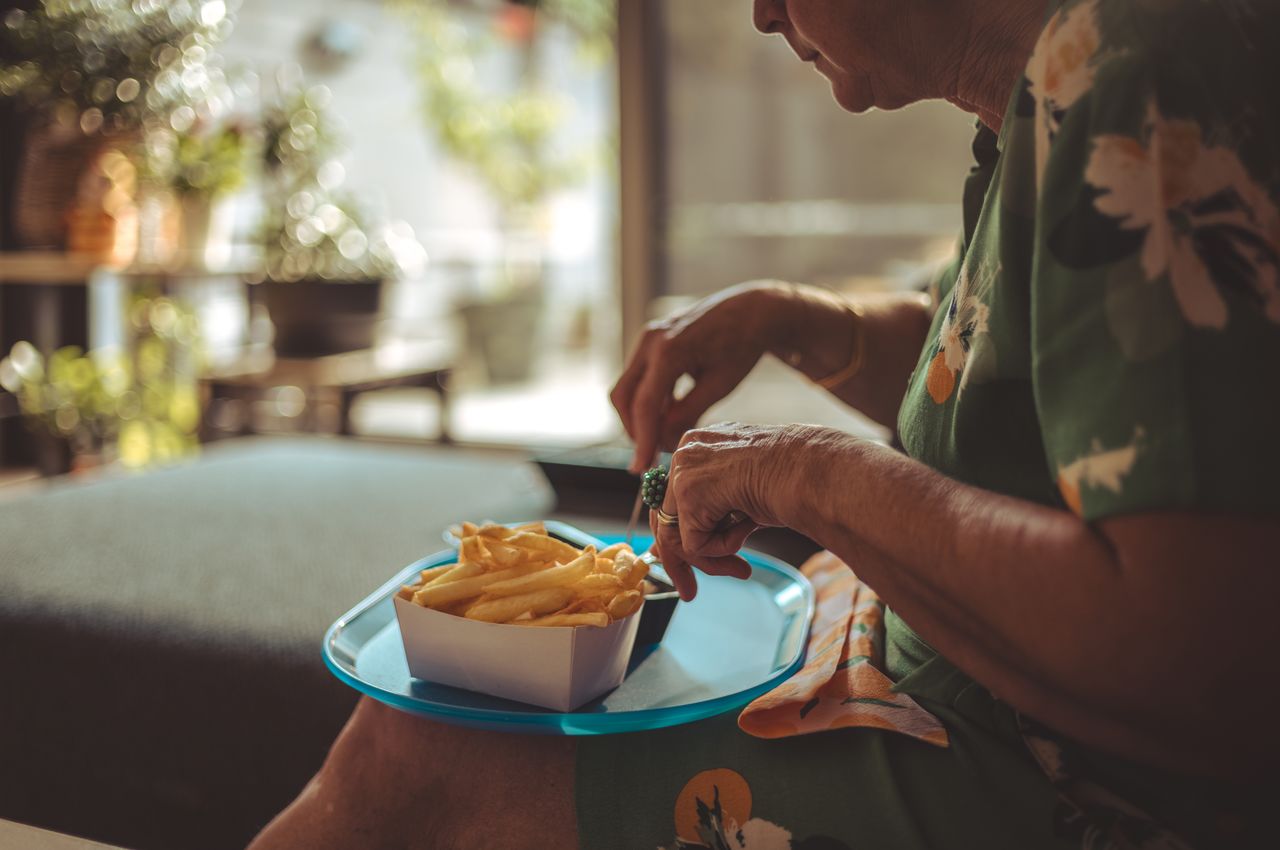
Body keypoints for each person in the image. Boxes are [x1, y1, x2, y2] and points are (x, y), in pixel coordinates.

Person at [250, 1, 1280, 848]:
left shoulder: (1132, 74)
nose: (756, 15)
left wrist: (808, 475)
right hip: (944, 679)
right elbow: (1001, 369)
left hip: (1054, 784)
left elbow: (1190, 651)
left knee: (422, 752)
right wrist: (801, 320)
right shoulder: (1051, 94)